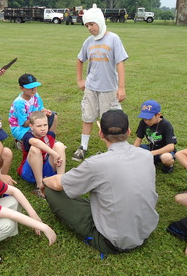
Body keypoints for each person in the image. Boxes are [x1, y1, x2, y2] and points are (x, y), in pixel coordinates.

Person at [42, 109, 158, 255]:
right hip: (145, 232)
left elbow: (59, 184)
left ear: (101, 134)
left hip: (113, 242)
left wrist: (45, 181)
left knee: (51, 190)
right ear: (128, 131)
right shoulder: (146, 155)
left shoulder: (96, 164)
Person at [72, 3, 128, 162]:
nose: (89, 28)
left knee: (109, 120)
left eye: (92, 24)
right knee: (87, 116)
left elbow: (120, 63)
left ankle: (113, 150)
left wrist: (121, 87)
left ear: (100, 22)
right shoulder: (89, 41)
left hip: (108, 89)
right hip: (91, 87)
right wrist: (80, 79)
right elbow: (79, 59)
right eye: (87, 25)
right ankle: (83, 147)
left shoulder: (113, 38)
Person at [17, 111, 66, 198]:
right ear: (31, 126)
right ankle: (39, 186)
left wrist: (56, 152)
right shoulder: (27, 136)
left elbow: (56, 147)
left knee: (60, 145)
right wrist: (53, 153)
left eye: (45, 125)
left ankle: (60, 180)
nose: (43, 128)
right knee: (35, 149)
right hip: (30, 171)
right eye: (39, 126)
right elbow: (35, 142)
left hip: (46, 168)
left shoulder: (50, 135)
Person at [8, 73, 58, 149]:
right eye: (30, 87)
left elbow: (41, 108)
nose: (33, 89)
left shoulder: (35, 95)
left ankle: (50, 140)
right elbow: (24, 124)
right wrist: (41, 114)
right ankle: (21, 141)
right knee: (36, 145)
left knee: (53, 115)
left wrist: (46, 111)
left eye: (35, 86)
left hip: (35, 122)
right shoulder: (19, 103)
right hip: (21, 129)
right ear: (21, 88)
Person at [133, 100, 177, 174]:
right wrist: (133, 151)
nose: (146, 121)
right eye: (144, 118)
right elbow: (138, 139)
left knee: (166, 158)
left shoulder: (166, 124)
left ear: (158, 115)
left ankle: (169, 166)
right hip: (150, 147)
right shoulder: (143, 122)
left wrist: (152, 153)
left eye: (150, 119)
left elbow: (170, 146)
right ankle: (152, 160)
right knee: (135, 150)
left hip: (165, 150)